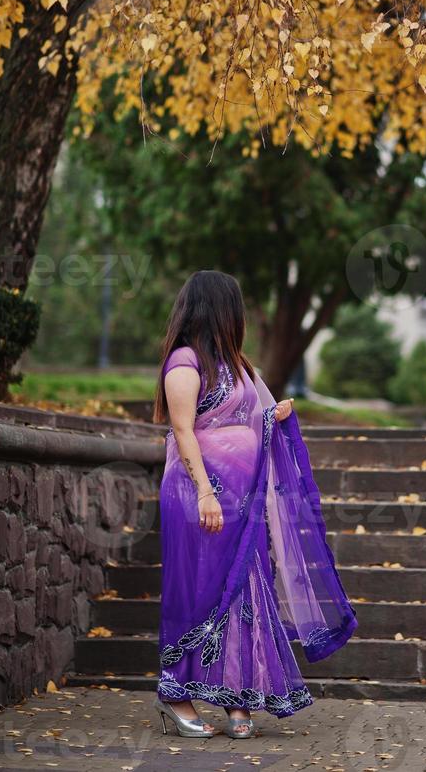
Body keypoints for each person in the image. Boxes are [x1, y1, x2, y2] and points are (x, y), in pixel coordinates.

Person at [152, 270, 357, 739]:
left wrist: (273, 416)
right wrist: (205, 490)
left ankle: (238, 694)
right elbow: (185, 431)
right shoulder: (184, 362)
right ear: (219, 310)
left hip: (242, 503)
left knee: (244, 591)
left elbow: (248, 417)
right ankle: (176, 694)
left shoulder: (237, 365)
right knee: (195, 591)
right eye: (235, 307)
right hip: (196, 495)